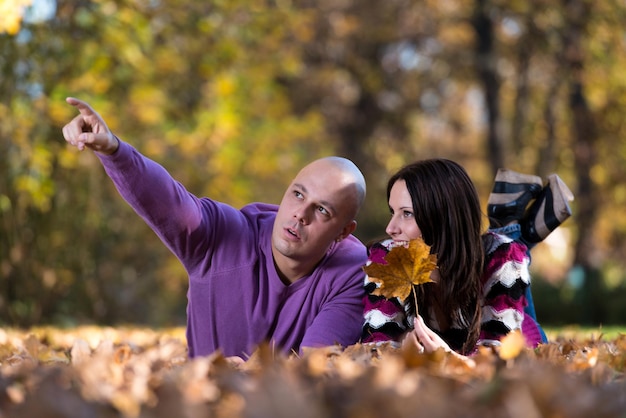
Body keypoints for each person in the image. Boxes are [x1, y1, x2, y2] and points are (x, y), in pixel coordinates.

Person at [62, 97, 368, 360]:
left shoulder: (353, 273)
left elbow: (318, 366)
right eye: (298, 194)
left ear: (343, 231)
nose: (301, 214)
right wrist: (114, 151)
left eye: (322, 210)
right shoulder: (226, 236)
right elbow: (170, 202)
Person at [362, 159, 573, 356]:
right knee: (507, 250)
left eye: (407, 213)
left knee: (507, 255)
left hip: (519, 335)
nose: (390, 228)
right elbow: (376, 349)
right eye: (392, 212)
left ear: (443, 218)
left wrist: (448, 359)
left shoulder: (502, 258)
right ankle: (513, 224)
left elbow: (498, 358)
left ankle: (511, 226)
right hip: (463, 349)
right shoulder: (387, 257)